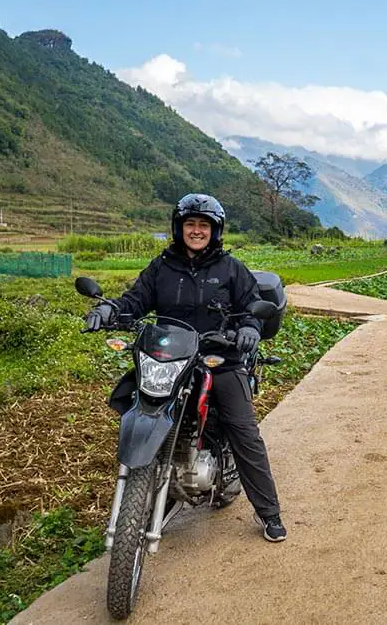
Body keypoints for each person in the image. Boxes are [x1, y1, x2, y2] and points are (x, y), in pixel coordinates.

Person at [84, 193, 287, 543]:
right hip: (171, 357)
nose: (196, 231)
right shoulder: (162, 267)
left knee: (243, 430)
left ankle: (269, 513)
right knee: (137, 405)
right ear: (179, 229)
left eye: (203, 225)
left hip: (219, 358)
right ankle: (146, 491)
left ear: (215, 231)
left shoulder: (230, 269)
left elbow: (252, 305)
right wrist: (110, 311)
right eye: (190, 224)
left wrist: (250, 331)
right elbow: (136, 300)